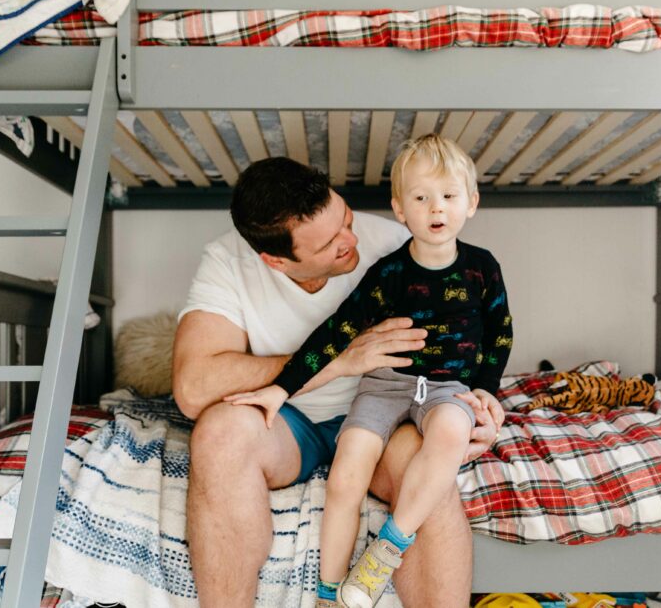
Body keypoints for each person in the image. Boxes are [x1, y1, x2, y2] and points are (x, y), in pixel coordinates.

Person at [172, 152, 506, 608]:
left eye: (345, 219)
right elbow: (193, 389)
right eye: (330, 244)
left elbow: (472, 341)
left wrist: (476, 405)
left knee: (424, 468)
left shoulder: (398, 245)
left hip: (391, 417)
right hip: (292, 425)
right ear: (277, 260)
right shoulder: (228, 262)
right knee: (218, 434)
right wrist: (340, 361)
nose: (351, 240)